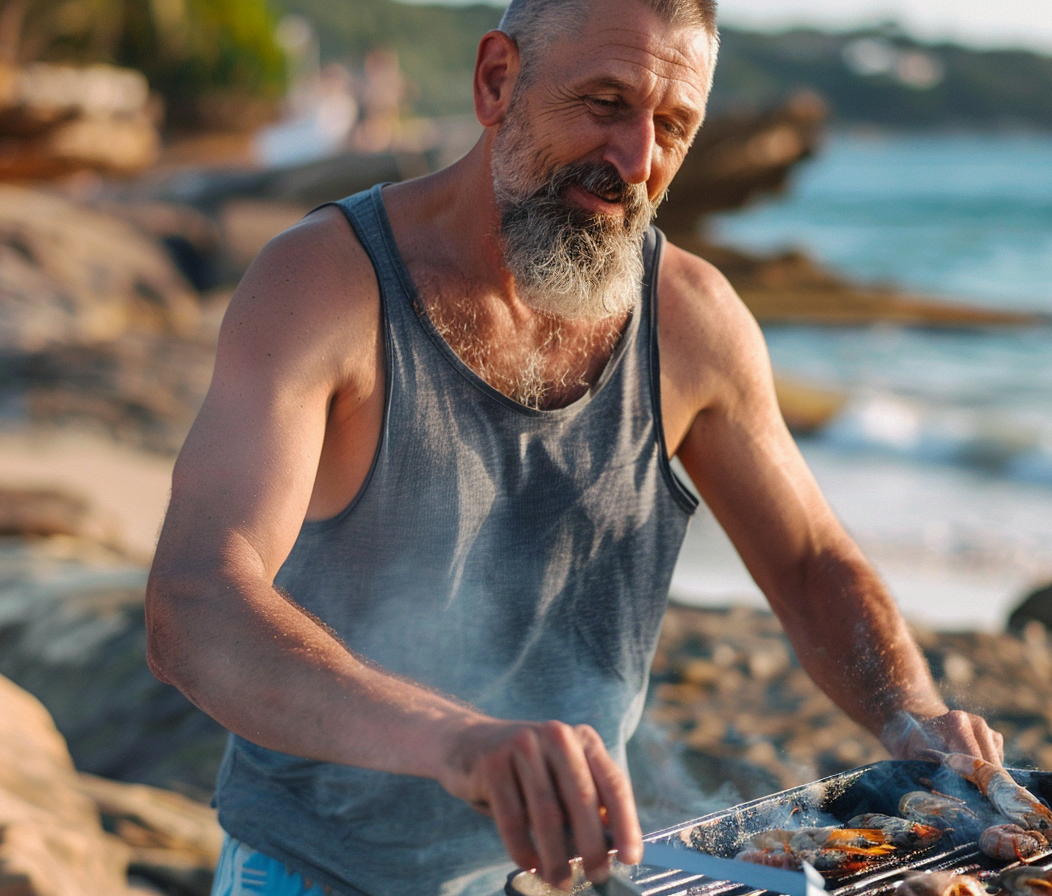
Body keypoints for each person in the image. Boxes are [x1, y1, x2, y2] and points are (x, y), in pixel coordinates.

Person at [145, 0, 1005, 894]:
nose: (638, 160)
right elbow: (196, 602)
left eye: (673, 125)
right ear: (496, 81)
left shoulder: (693, 319)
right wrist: (459, 744)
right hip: (318, 873)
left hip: (577, 879)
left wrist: (912, 715)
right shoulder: (323, 283)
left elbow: (810, 561)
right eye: (605, 103)